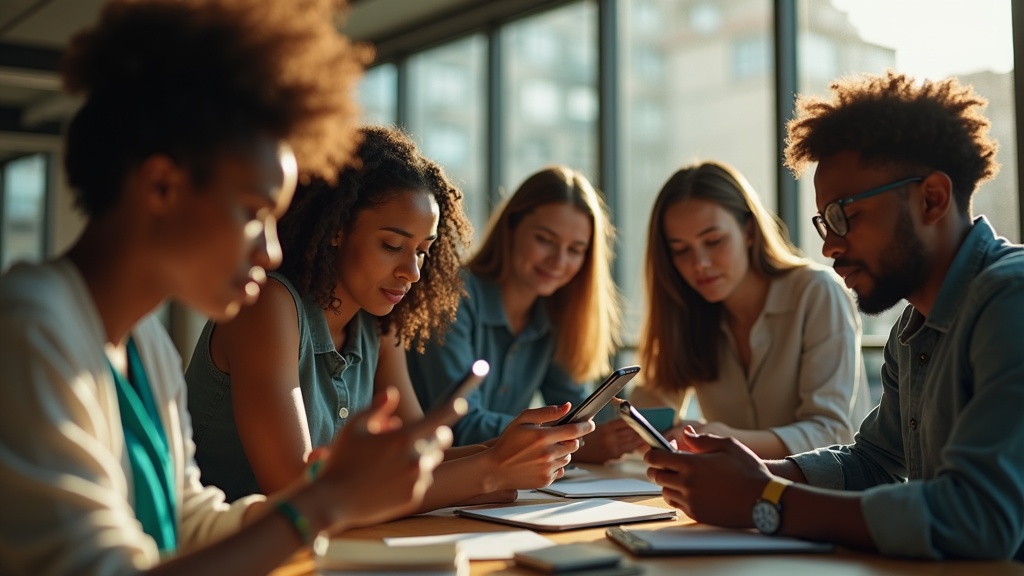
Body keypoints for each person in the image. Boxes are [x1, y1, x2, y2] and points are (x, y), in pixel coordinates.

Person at [0, 1, 461, 574]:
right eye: (253, 211)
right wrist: (321, 504)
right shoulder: (30, 329)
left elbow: (188, 522)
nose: (270, 250)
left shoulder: (145, 346)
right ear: (163, 186)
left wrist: (335, 490)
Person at [643, 70, 1024, 560]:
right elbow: (875, 461)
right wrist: (757, 473)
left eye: (846, 215)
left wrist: (764, 498)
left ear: (932, 198)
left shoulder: (1010, 300)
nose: (829, 245)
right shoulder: (914, 327)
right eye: (825, 220)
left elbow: (977, 519)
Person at [186, 126, 594, 507]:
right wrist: (488, 473)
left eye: (422, 251)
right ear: (336, 228)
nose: (412, 272)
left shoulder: (379, 323)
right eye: (392, 245)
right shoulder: (268, 307)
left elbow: (420, 455)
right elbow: (296, 490)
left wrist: (507, 449)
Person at [630, 161, 871, 458]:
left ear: (749, 230)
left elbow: (832, 433)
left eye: (713, 241)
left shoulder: (817, 292)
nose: (699, 263)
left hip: (830, 498)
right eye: (681, 250)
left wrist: (721, 437)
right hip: (742, 498)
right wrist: (633, 426)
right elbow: (649, 410)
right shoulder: (690, 311)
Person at [408, 165, 643, 464]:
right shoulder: (452, 295)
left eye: (575, 250)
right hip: (430, 478)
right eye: (545, 240)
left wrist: (610, 430)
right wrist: (569, 437)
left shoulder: (555, 315)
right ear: (511, 227)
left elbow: (573, 407)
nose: (559, 261)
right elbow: (460, 425)